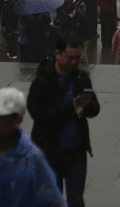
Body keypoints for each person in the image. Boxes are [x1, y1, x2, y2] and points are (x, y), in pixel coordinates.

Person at [27, 36, 100, 207]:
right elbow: (37, 112)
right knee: (53, 199)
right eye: (70, 58)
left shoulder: (81, 78)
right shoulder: (42, 80)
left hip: (76, 152)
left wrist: (88, 105)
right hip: (49, 150)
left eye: (78, 58)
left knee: (76, 200)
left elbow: (95, 108)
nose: (74, 62)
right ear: (58, 54)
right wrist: (70, 106)